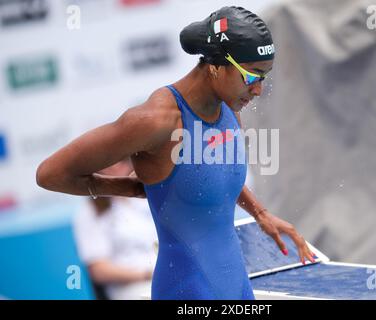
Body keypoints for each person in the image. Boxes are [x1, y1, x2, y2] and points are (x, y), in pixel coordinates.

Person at [36, 6, 316, 300]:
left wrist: (260, 213)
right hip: (187, 291)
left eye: (265, 77)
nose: (258, 90)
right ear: (216, 66)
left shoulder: (228, 109)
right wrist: (125, 188)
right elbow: (50, 174)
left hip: (237, 288)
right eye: (252, 76)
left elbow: (214, 177)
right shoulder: (155, 120)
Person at [73, 160, 158, 300]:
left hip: (167, 277)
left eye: (122, 161)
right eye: (109, 163)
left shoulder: (148, 197)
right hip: (133, 289)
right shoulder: (90, 211)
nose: (117, 166)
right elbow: (98, 269)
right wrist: (146, 274)